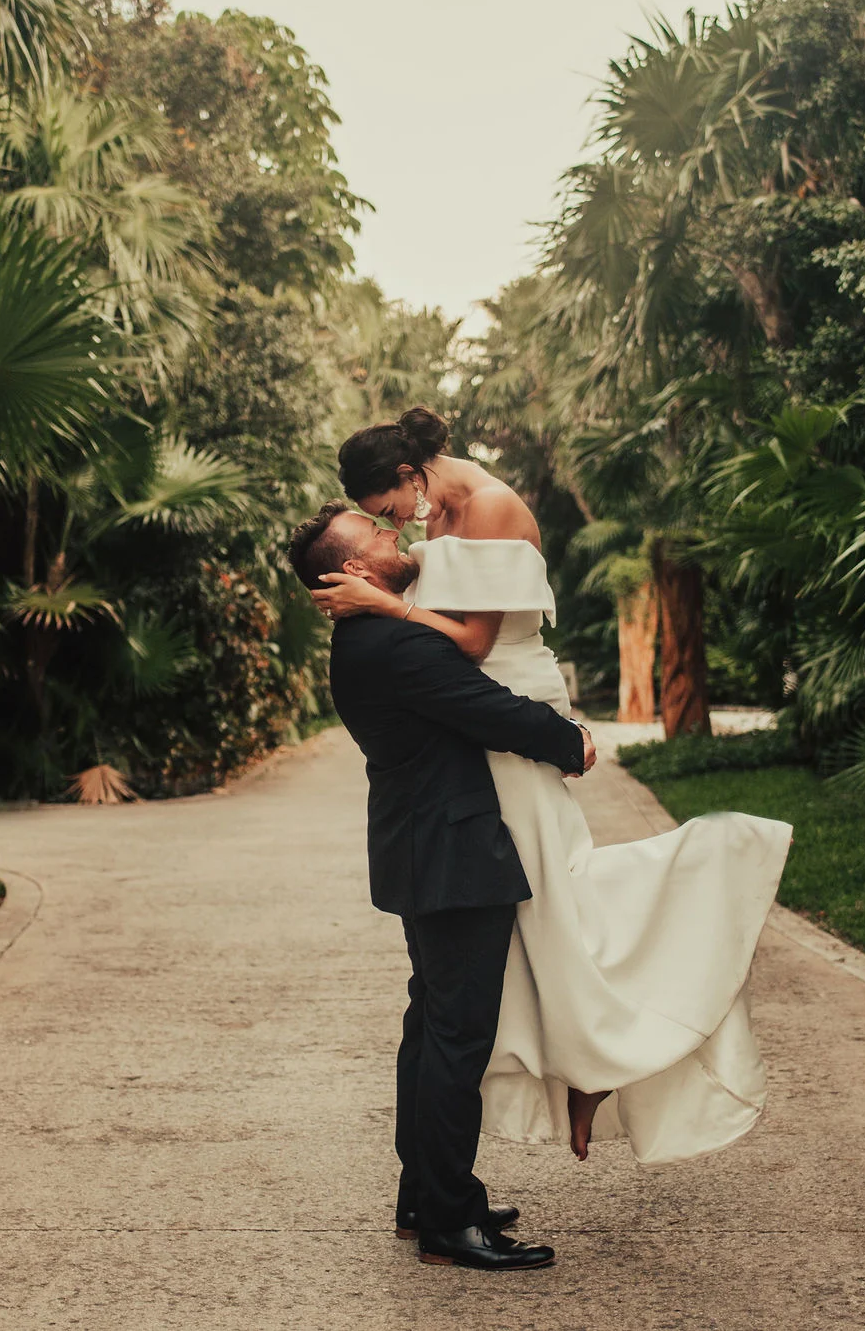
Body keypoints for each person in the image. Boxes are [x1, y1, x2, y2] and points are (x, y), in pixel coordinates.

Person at [313, 406, 792, 1169]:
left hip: (507, 702)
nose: (395, 529)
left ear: (410, 476)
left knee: (558, 895)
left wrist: (383, 603)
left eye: (388, 511)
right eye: (380, 523)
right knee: (537, 913)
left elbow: (473, 640)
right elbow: (451, 644)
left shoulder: (495, 506)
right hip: (478, 715)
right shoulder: (437, 519)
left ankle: (601, 1057)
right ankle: (585, 1069)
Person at [289, 498, 597, 1272]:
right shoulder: (394, 642)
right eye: (379, 534)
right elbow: (487, 708)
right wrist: (571, 743)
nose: (396, 534)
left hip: (421, 848)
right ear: (354, 567)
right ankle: (449, 1223)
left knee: (431, 1028)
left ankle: (424, 1193)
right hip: (453, 855)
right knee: (457, 1038)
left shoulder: (371, 634)